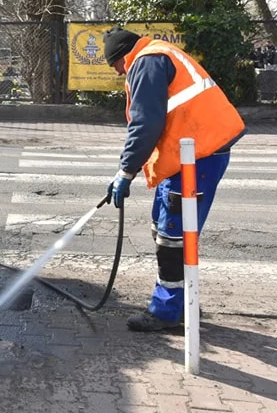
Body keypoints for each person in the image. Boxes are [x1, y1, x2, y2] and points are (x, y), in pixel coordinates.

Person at [102, 26, 245, 332]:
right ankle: (183, 299)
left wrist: (125, 171)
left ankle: (167, 311)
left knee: (173, 236)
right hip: (194, 153)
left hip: (198, 155)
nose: (116, 73)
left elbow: (145, 124)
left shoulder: (146, 62)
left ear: (122, 56)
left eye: (114, 65)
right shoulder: (158, 55)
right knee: (166, 227)